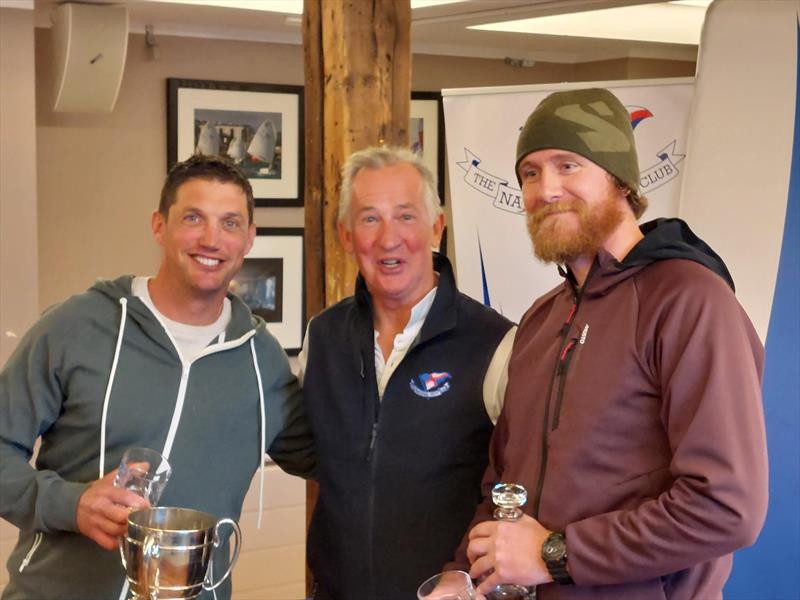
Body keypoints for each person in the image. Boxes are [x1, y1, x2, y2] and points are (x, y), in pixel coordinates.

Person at [459, 87, 769, 599]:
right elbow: (502, 479)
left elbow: (726, 507)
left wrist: (556, 554)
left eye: (568, 165)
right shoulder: (541, 318)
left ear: (620, 181)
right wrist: (465, 572)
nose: (547, 189)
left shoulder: (690, 302)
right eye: (530, 174)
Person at [0, 155, 315, 600]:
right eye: (193, 218)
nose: (211, 238)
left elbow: (334, 457)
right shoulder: (76, 325)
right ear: (158, 226)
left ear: (248, 239)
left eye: (229, 223)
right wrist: (69, 505)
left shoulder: (261, 358)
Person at [299, 146, 515, 599]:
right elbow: (316, 466)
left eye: (406, 216)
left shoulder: (495, 342)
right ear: (345, 235)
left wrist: (465, 574)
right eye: (370, 219)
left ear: (436, 227)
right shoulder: (322, 339)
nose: (389, 239)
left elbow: (518, 485)